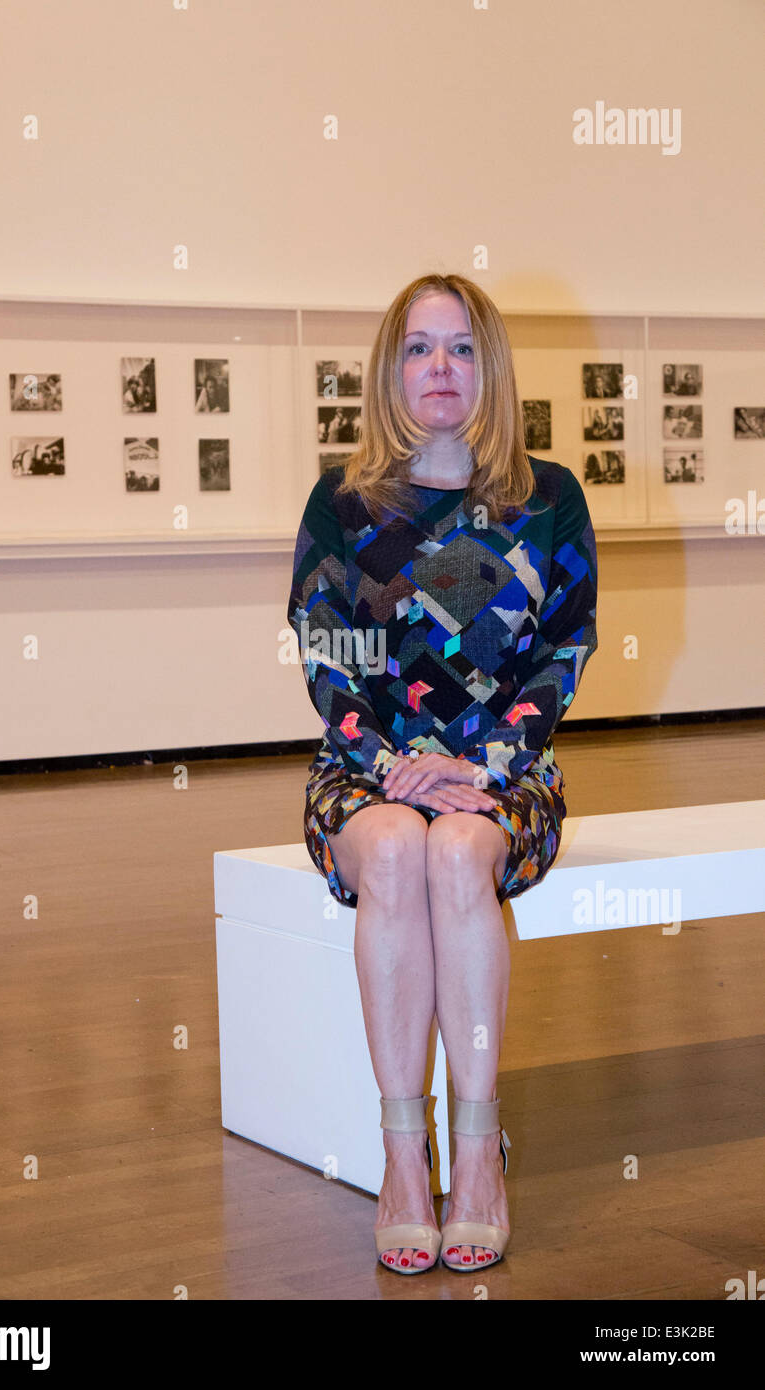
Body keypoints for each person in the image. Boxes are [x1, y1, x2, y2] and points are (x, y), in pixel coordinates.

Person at [286, 272, 598, 1276]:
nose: (439, 368)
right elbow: (326, 653)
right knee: (390, 845)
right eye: (419, 348)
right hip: (362, 767)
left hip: (507, 770)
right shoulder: (343, 503)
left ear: (488, 368)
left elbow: (563, 650)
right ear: (389, 369)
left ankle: (475, 1158)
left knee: (460, 852)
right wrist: (391, 764)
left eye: (460, 348)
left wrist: (483, 762)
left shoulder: (543, 499)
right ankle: (399, 1160)